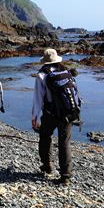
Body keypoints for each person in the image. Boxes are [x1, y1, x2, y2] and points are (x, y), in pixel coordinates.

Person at [31, 48, 76, 185]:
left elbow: (38, 98)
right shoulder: (65, 71)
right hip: (68, 112)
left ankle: (47, 164)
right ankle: (66, 176)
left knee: (45, 136)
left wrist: (34, 116)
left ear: (44, 61)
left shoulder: (42, 75)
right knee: (65, 143)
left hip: (50, 113)